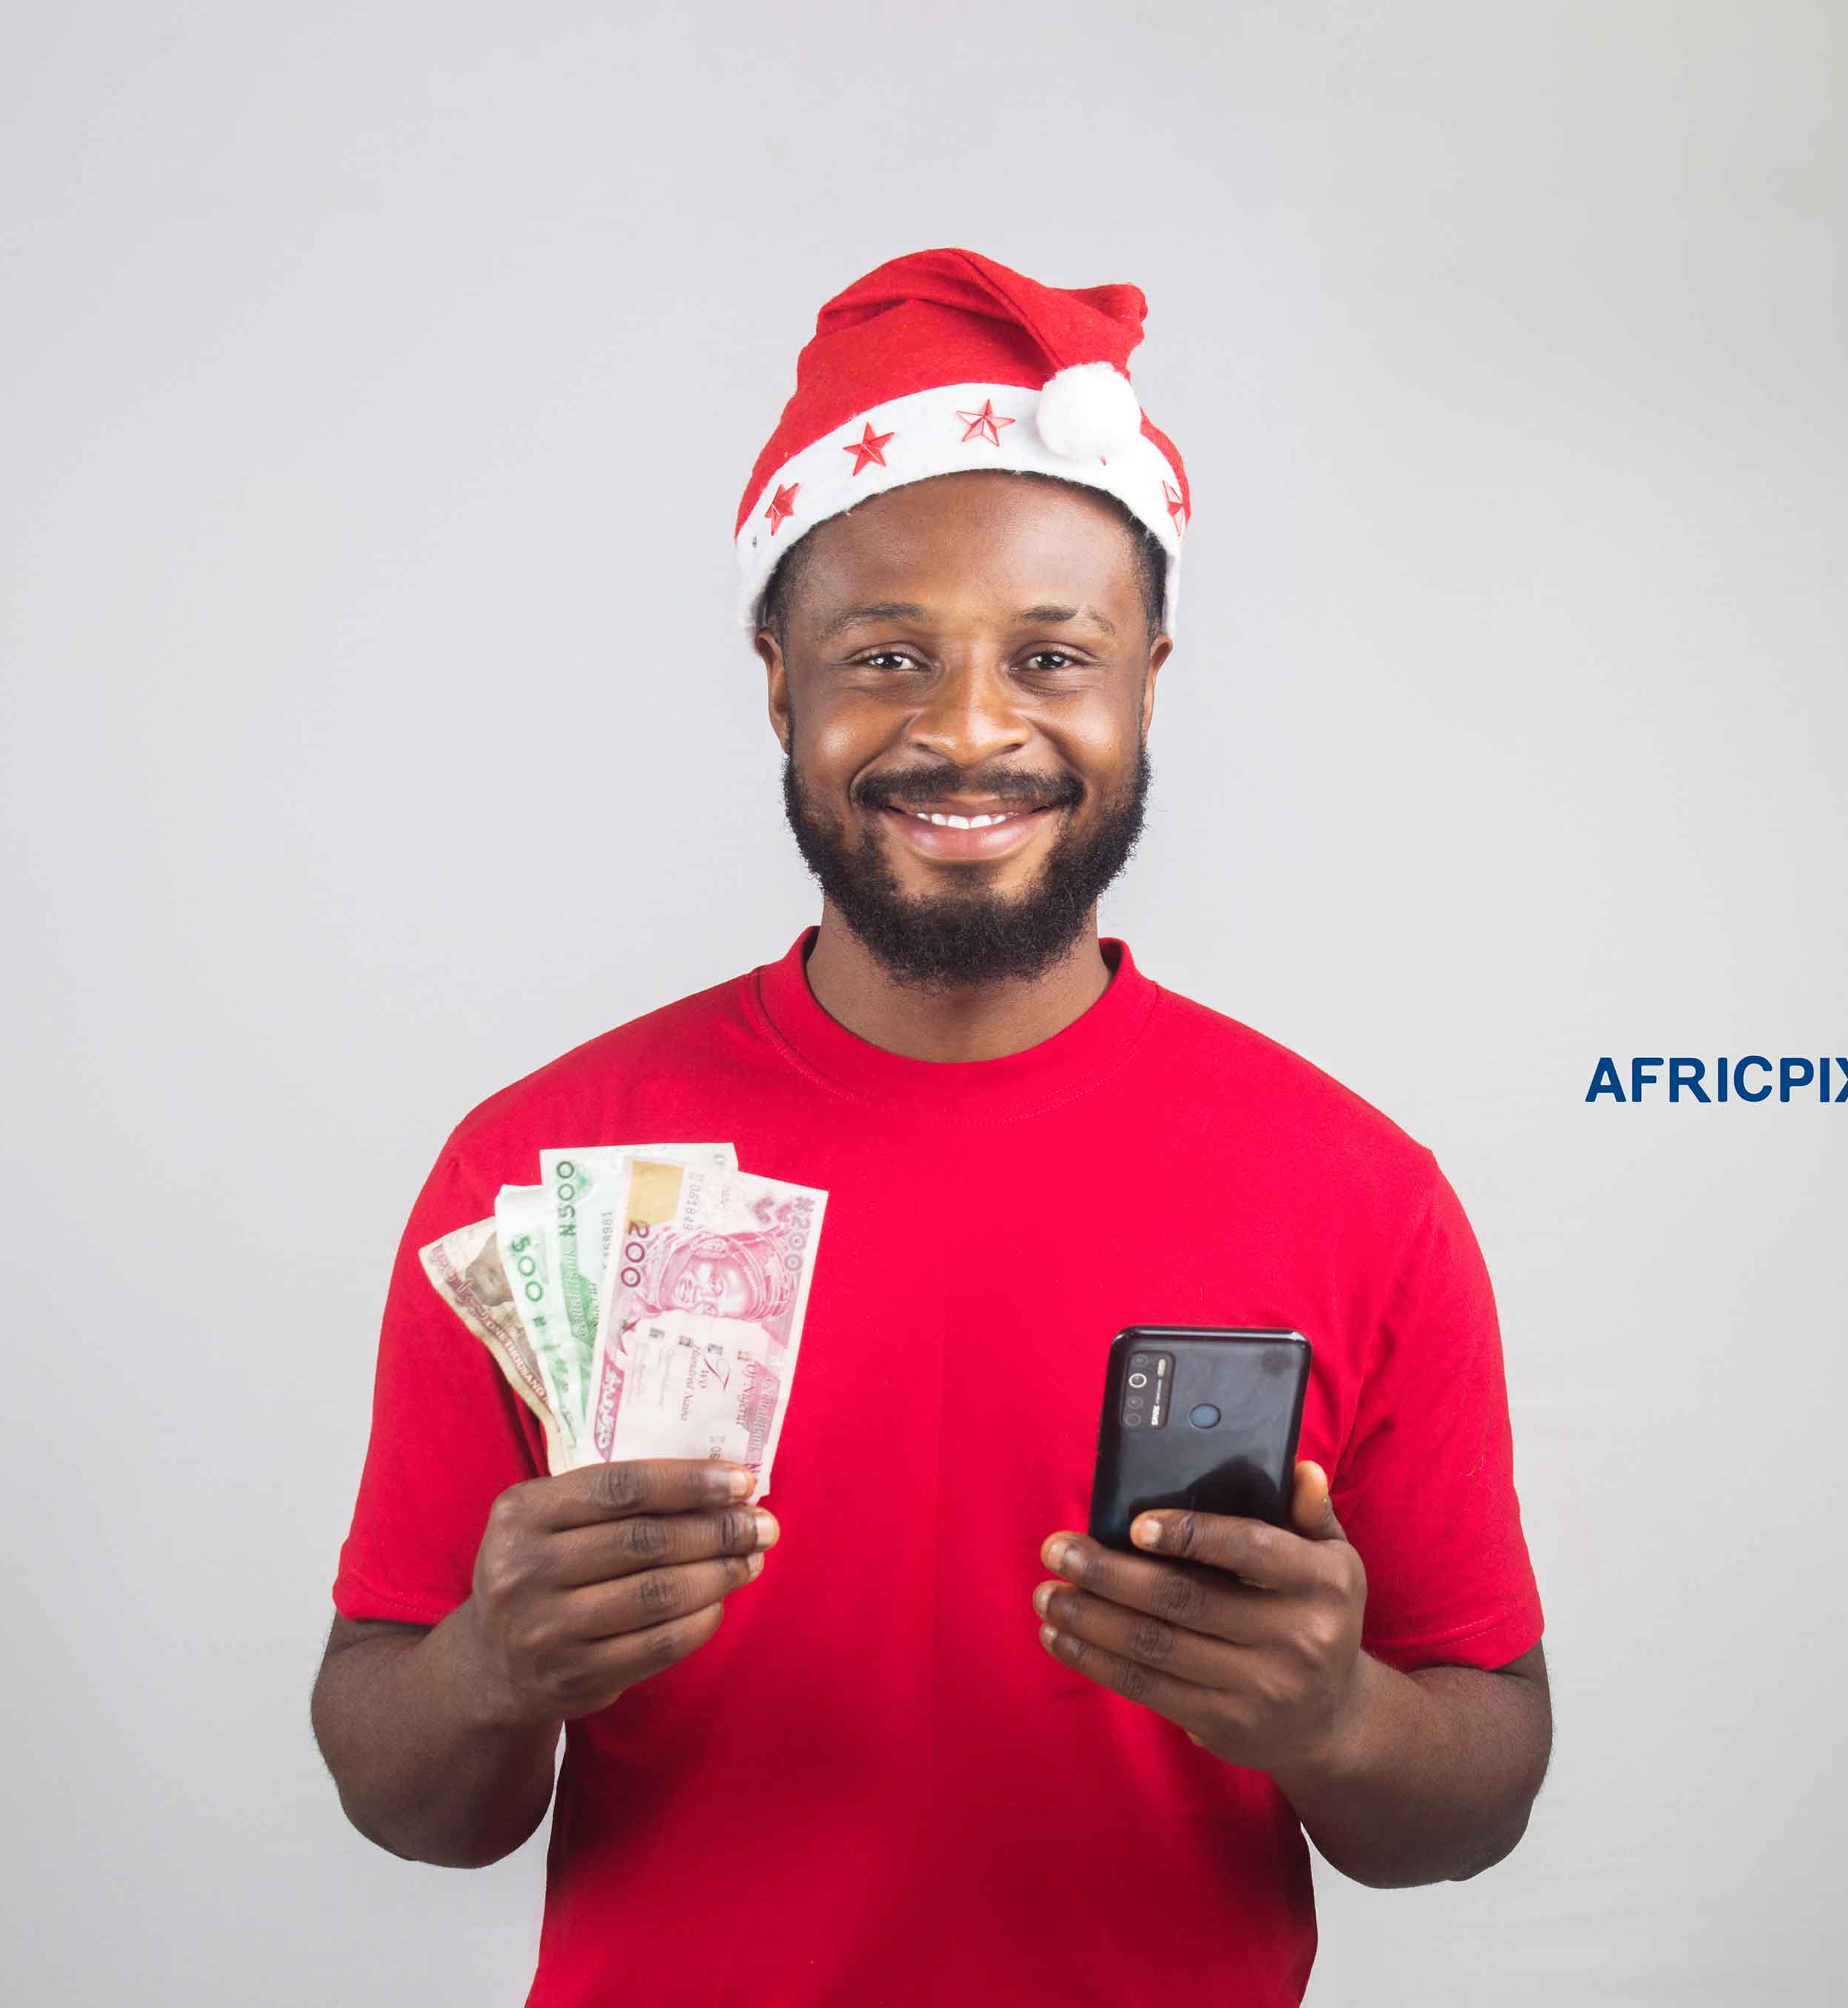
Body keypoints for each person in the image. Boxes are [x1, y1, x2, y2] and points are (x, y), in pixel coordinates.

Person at [311, 247, 1551, 2008]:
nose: (971, 729)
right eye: (885, 654)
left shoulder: (1358, 1192)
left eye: (1053, 654)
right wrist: (492, 1673)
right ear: (776, 682)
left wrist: (1336, 1717)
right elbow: (408, 1795)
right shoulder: (539, 1162)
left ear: (1147, 677)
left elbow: (1473, 1798)